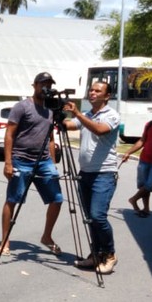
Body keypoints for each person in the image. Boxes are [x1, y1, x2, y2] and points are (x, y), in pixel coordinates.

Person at [0, 72, 64, 257]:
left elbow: (51, 138)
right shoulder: (22, 107)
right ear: (34, 85)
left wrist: (52, 162)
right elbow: (9, 134)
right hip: (21, 160)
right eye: (43, 84)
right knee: (13, 200)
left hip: (44, 161)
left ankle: (47, 237)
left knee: (57, 199)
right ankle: (5, 241)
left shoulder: (50, 110)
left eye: (49, 85)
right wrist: (8, 162)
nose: (46, 88)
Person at [63, 81, 122, 274]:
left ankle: (110, 254)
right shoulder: (87, 114)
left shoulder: (111, 115)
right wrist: (56, 116)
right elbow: (70, 125)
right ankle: (96, 254)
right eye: (91, 90)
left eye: (98, 91)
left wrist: (78, 114)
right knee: (90, 218)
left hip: (104, 173)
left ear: (107, 96)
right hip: (85, 174)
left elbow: (100, 130)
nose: (93, 93)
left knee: (98, 216)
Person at [120, 104, 152, 218]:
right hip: (144, 160)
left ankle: (133, 199)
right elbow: (142, 141)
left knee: (150, 185)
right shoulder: (150, 124)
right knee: (143, 186)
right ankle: (146, 209)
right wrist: (128, 152)